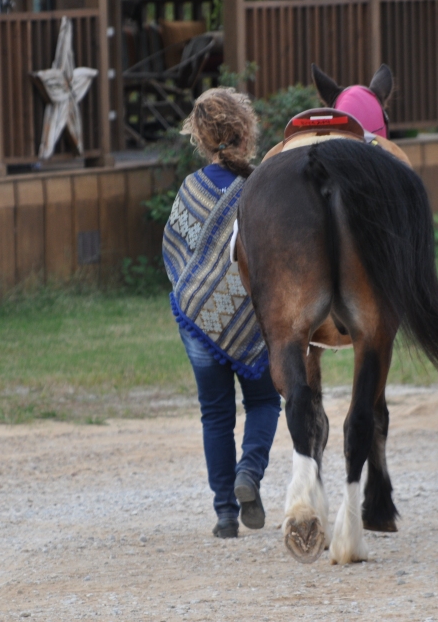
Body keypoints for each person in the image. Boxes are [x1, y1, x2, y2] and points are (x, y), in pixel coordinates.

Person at [162, 88, 281, 539]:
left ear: (199, 135)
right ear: (246, 132)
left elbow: (173, 248)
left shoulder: (191, 188)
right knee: (266, 401)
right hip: (254, 319)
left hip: (197, 319)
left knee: (215, 414)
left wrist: (199, 295)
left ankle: (226, 514)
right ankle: (249, 471)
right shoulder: (260, 191)